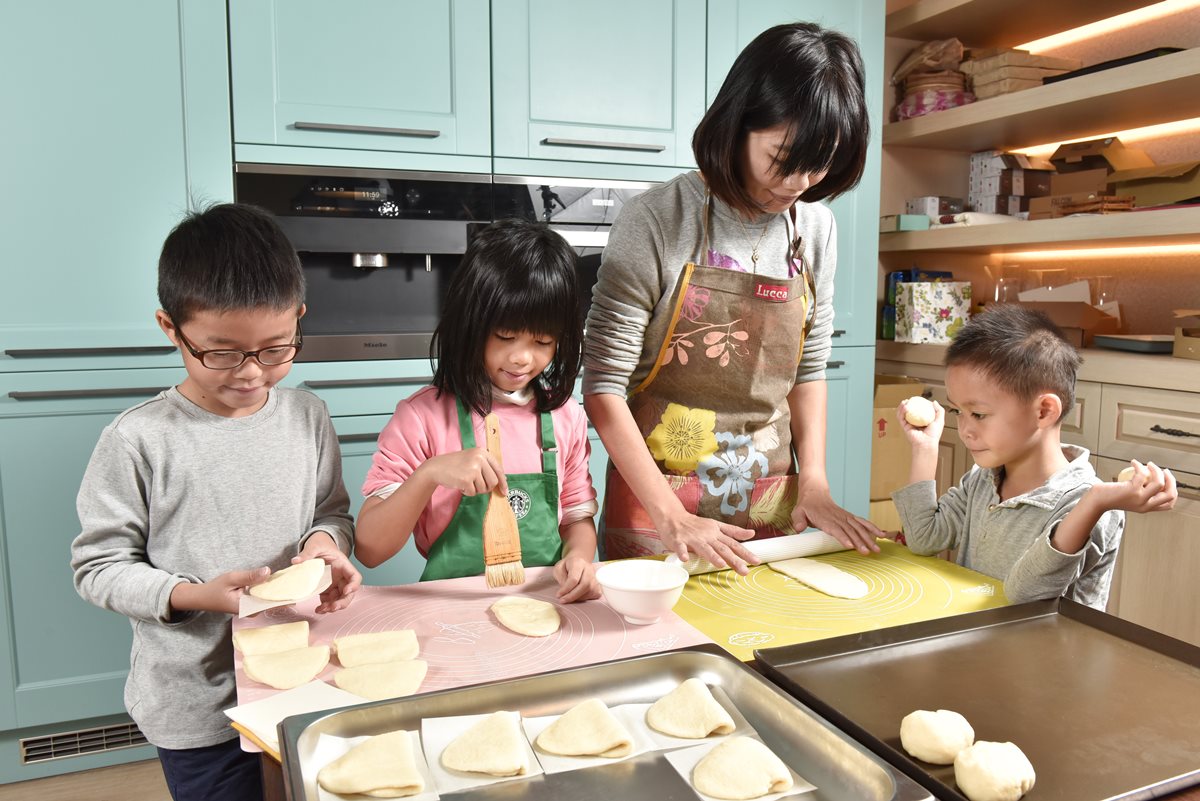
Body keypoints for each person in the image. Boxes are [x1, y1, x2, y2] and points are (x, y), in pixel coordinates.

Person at [71, 203, 360, 801]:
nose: (252, 373)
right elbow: (98, 569)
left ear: (298, 319)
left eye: (276, 349)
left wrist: (324, 547)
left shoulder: (308, 416)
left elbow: (330, 511)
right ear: (171, 328)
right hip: (197, 705)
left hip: (300, 677)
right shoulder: (138, 440)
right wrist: (197, 596)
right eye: (223, 352)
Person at [583, 22, 880, 574]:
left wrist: (813, 483)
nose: (797, 183)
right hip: (659, 507)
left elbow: (808, 369)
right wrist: (672, 516)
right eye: (782, 157)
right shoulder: (656, 221)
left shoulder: (815, 230)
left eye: (818, 166)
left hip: (770, 498)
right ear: (738, 122)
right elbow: (603, 387)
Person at [356, 219, 600, 602]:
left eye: (543, 341)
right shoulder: (421, 418)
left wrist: (581, 560)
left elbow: (577, 521)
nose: (521, 358)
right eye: (504, 337)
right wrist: (429, 474)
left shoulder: (565, 416)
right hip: (450, 611)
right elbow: (370, 551)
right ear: (470, 325)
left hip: (548, 602)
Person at [892, 305, 1178, 609]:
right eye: (956, 411)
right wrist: (925, 448)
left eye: (978, 414)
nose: (964, 430)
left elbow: (1025, 595)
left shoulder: (1091, 505)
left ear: (1043, 411)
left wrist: (1094, 501)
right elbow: (924, 538)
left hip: (1048, 655)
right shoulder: (983, 481)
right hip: (984, 643)